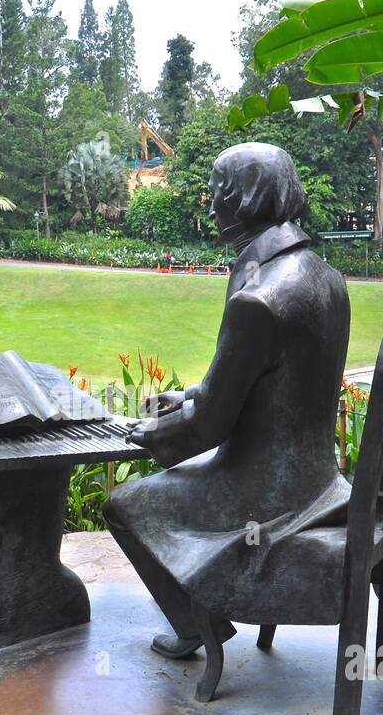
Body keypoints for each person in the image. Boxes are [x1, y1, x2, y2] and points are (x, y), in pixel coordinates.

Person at [104, 142, 351, 661]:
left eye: (216, 194)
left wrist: (146, 434)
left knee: (125, 506)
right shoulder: (325, 278)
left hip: (265, 497)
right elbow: (275, 383)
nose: (209, 205)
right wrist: (190, 395)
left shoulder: (258, 298)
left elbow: (210, 427)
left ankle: (199, 627)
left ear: (244, 200)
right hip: (320, 478)